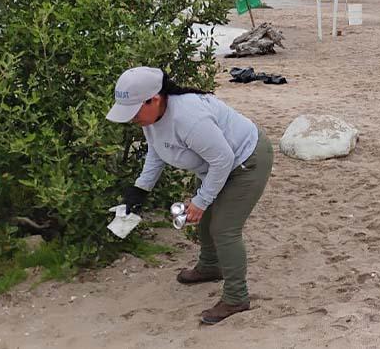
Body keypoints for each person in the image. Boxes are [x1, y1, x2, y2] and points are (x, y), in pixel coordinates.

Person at [106, 67, 274, 325]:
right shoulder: (150, 119)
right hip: (214, 166)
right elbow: (156, 151)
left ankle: (236, 297)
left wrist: (201, 200)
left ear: (155, 98)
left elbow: (223, 159)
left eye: (134, 110)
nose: (131, 119)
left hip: (246, 161)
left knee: (224, 228)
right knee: (205, 222)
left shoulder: (188, 117)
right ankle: (210, 266)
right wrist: (139, 190)